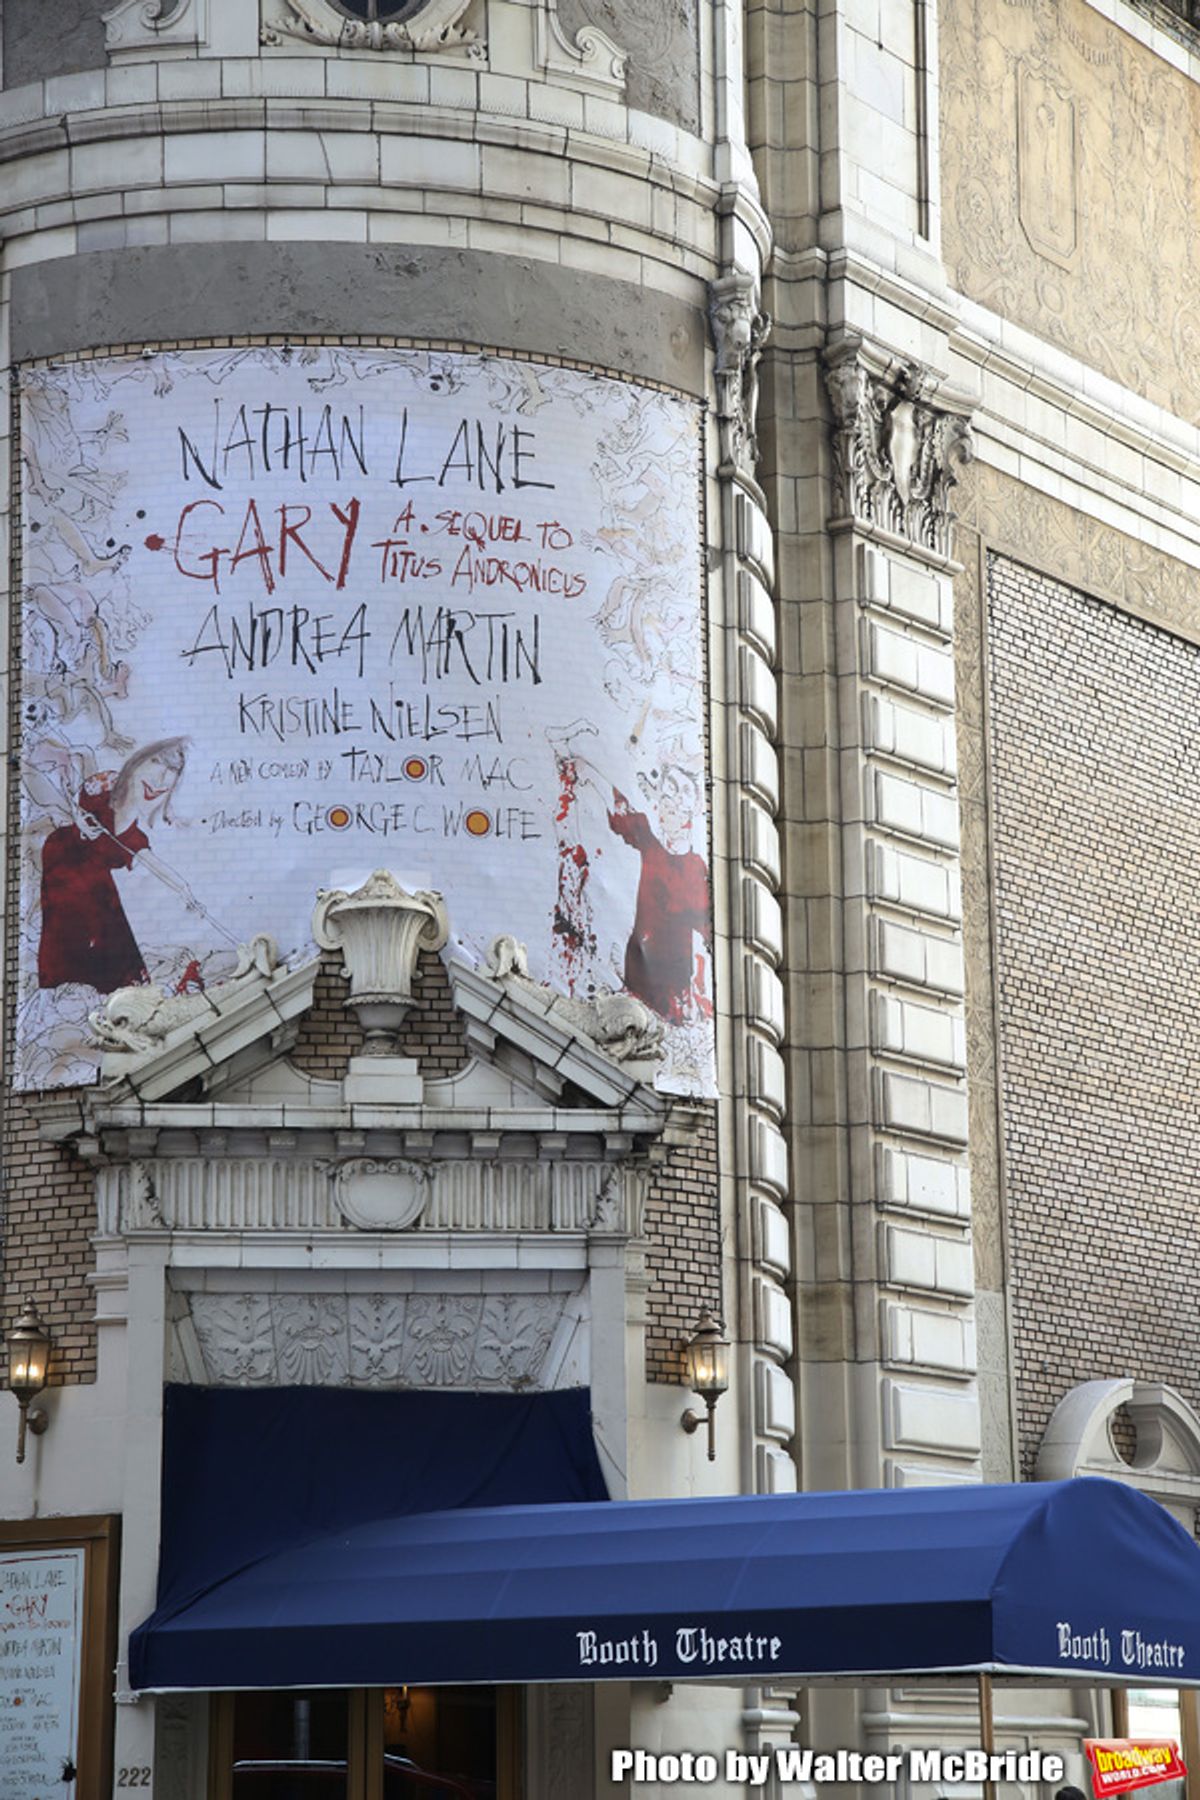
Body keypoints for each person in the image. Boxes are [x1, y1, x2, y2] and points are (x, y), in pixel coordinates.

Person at [38, 736, 199, 993]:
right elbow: (74, 794)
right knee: (83, 928)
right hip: (65, 857)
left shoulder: (134, 838)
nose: (161, 779)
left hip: (94, 888)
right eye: (157, 762)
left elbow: (154, 864)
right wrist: (78, 819)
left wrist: (184, 889)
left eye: (173, 771)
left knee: (112, 928)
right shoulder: (106, 785)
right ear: (136, 764)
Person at [607, 768, 711, 1023]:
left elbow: (706, 931)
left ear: (692, 809)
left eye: (684, 793)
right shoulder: (651, 845)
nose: (674, 801)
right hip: (636, 976)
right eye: (670, 791)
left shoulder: (695, 867)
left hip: (673, 989)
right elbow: (614, 797)